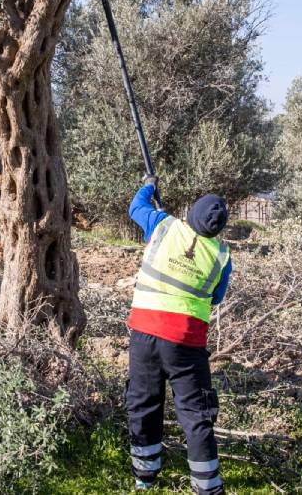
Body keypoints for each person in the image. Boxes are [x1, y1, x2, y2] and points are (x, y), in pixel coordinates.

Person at [125, 176, 233, 495]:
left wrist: (147, 185)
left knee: (143, 403)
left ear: (190, 213)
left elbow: (136, 207)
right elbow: (216, 298)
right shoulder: (221, 257)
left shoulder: (162, 225)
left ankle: (144, 478)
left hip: (144, 333)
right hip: (186, 343)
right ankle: (207, 487)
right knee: (196, 413)